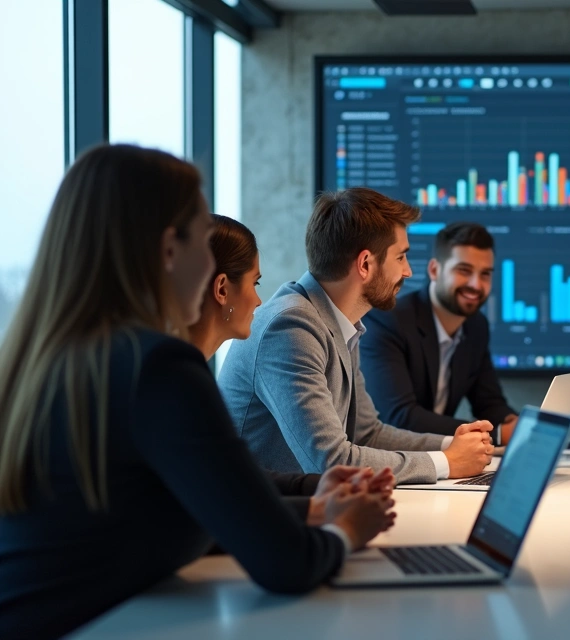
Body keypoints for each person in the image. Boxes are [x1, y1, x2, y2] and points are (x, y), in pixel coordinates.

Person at [0, 145, 393, 639]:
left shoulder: (52, 359)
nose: (212, 266)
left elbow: (181, 504)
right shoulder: (157, 368)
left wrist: (313, 507)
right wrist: (347, 530)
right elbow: (288, 566)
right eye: (204, 242)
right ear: (170, 250)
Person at [218, 188, 493, 484]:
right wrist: (447, 462)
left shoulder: (340, 323)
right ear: (365, 265)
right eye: (400, 257)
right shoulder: (290, 328)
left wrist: (450, 446)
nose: (408, 271)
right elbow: (331, 462)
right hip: (261, 518)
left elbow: (367, 434)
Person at [187, 214, 396, 525]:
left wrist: (315, 487)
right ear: (222, 290)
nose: (259, 300)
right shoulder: (288, 325)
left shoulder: (185, 371)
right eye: (255, 283)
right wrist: (329, 526)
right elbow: (214, 500)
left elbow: (231, 474)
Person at [361, 222, 518, 441]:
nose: (476, 284)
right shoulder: (388, 320)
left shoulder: (476, 326)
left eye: (485, 274)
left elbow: (489, 403)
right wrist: (497, 433)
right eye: (464, 270)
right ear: (434, 270)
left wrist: (518, 424)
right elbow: (399, 417)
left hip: (442, 462)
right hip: (392, 463)